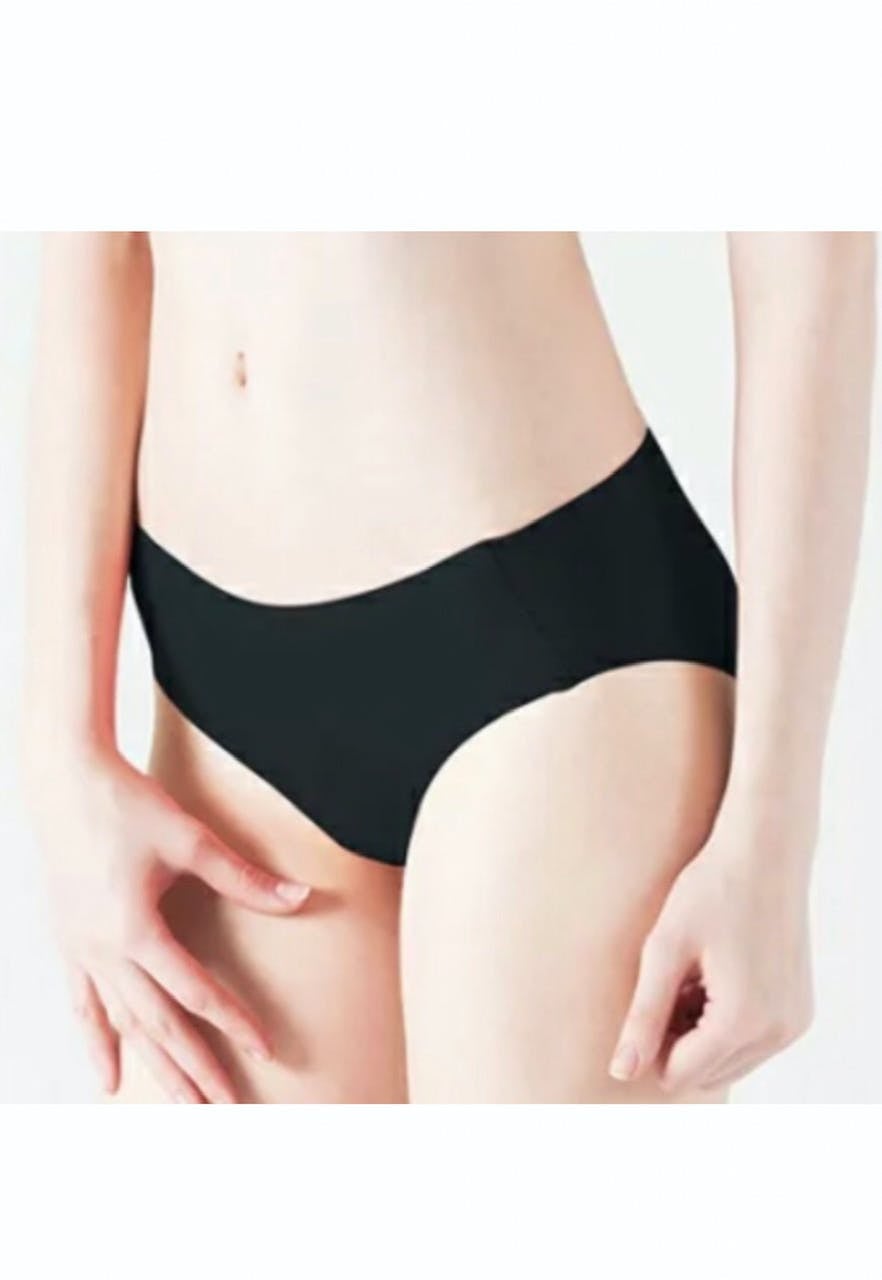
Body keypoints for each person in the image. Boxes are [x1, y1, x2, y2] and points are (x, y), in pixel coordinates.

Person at [22, 232, 875, 1103]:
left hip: (549, 658)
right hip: (213, 702)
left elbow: (810, 251)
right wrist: (63, 749)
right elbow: (100, 243)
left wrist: (772, 836)